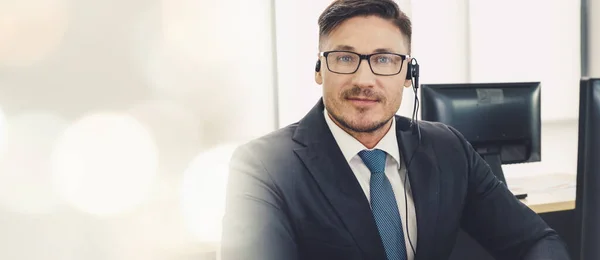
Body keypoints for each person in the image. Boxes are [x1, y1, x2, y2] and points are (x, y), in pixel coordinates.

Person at [220, 0, 571, 259]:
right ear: (318, 69)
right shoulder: (264, 166)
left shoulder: (447, 148)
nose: (364, 79)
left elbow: (536, 242)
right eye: (344, 58)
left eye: (384, 59)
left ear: (407, 76)